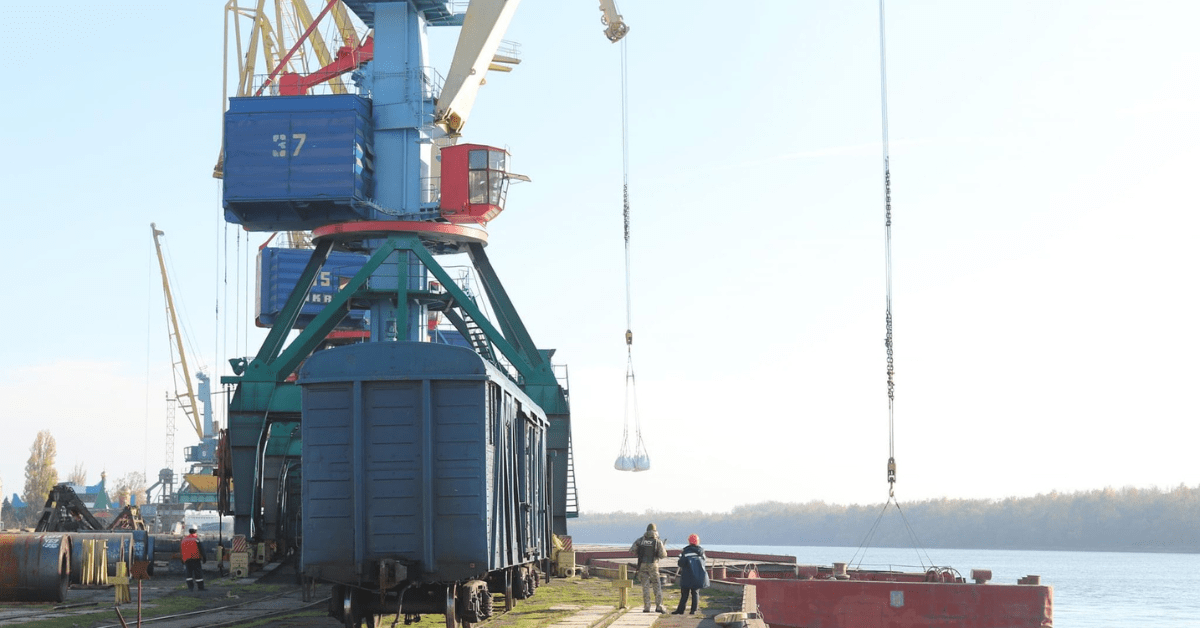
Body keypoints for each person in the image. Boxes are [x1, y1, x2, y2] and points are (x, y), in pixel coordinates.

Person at [629, 523, 667, 613]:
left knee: (645, 586)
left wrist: (640, 551)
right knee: (657, 585)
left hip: (642, 565)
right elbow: (663, 555)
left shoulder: (640, 540)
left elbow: (632, 550)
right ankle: (659, 606)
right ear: (655, 531)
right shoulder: (658, 541)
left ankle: (647, 607)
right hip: (653, 565)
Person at [673, 534, 710, 615]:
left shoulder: (686, 551)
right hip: (698, 576)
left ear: (689, 541)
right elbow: (704, 563)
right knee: (695, 593)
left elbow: (681, 563)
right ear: (698, 541)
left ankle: (680, 610)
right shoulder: (701, 552)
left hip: (687, 576)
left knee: (684, 594)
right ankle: (693, 611)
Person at [180, 526, 207, 591]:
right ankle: (200, 588)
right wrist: (204, 558)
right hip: (195, 559)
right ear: (195, 531)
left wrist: (182, 559)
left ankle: (190, 588)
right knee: (198, 573)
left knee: (189, 574)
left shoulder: (184, 539)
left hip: (187, 559)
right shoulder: (196, 539)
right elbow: (201, 549)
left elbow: (181, 550)